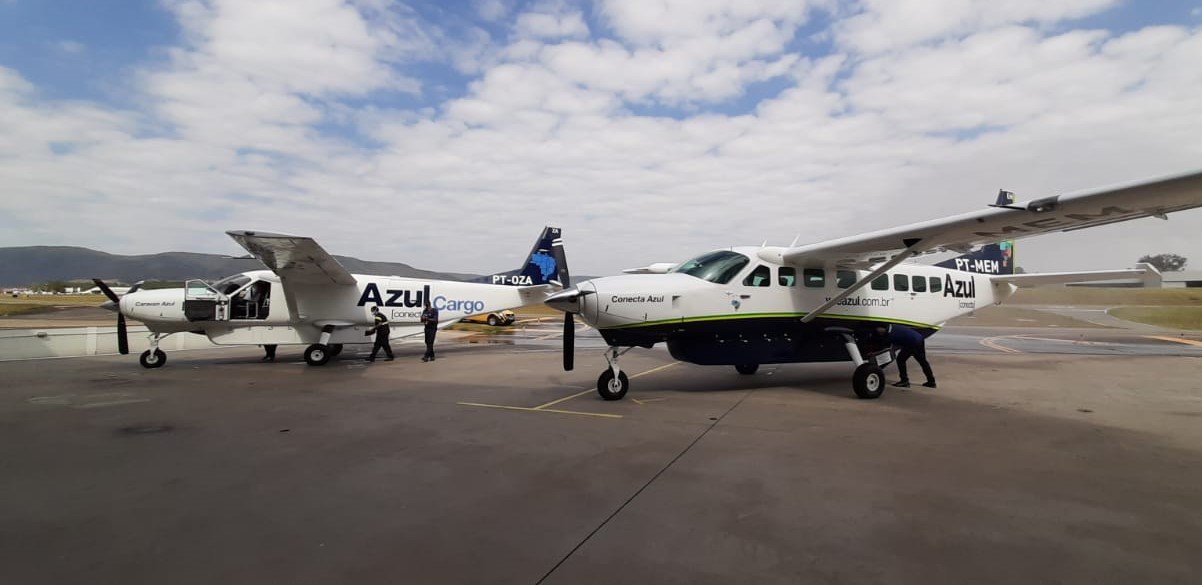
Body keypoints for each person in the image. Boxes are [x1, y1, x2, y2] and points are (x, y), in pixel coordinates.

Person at [877, 324, 936, 388]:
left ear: (882, 330)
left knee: (900, 359)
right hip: (919, 338)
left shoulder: (891, 335)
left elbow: (890, 350)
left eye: (879, 332)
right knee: (923, 362)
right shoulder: (892, 326)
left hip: (913, 342)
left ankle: (904, 381)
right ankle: (931, 382)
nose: (880, 334)